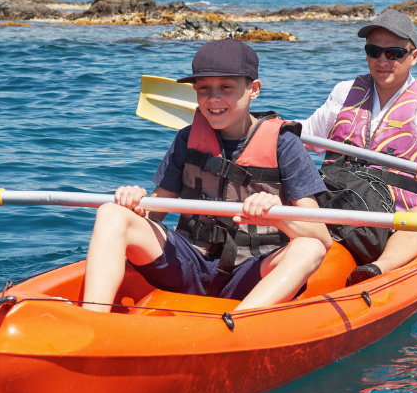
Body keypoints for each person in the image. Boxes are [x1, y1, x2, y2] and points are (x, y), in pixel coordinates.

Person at [82, 39, 332, 312]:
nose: (213, 99)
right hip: (190, 264)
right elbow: (154, 212)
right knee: (111, 213)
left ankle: (238, 325)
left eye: (226, 87)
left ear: (254, 90)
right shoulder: (187, 139)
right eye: (204, 89)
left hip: (251, 273)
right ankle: (93, 319)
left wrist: (276, 215)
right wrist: (135, 204)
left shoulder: (284, 144)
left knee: (310, 248)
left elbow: (321, 237)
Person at [302, 10, 417, 285]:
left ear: (413, 56)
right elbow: (305, 136)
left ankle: (378, 270)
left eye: (394, 53)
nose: (382, 61)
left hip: (393, 224)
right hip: (334, 206)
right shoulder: (344, 94)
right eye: (374, 51)